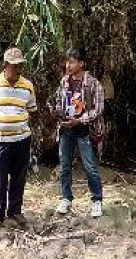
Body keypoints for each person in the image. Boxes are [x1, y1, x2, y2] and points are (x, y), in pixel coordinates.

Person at [0, 46, 38, 227]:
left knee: (19, 176)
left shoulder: (27, 86)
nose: (18, 69)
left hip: (22, 139)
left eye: (20, 65)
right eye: (14, 65)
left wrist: (16, 122)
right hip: (0, 140)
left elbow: (31, 109)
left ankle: (15, 211)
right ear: (5, 65)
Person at [52, 48, 105, 218]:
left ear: (81, 64)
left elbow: (98, 109)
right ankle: (66, 197)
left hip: (84, 131)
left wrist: (80, 120)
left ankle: (97, 200)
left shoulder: (93, 83)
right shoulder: (64, 82)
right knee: (65, 165)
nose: (68, 65)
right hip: (67, 129)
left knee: (90, 166)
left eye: (72, 62)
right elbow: (59, 102)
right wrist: (57, 111)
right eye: (67, 62)